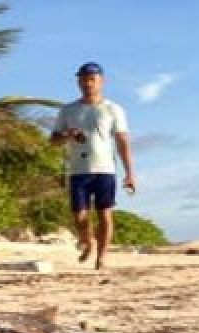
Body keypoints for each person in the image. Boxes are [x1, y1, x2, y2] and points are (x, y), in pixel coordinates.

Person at [51, 62, 137, 270]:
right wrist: (67, 134)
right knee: (79, 216)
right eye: (84, 79)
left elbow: (122, 141)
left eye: (92, 79)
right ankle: (88, 241)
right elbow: (53, 140)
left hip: (105, 169)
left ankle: (102, 256)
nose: (88, 83)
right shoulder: (68, 110)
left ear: (101, 81)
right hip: (78, 170)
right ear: (78, 81)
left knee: (105, 214)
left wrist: (130, 173)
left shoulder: (113, 109)